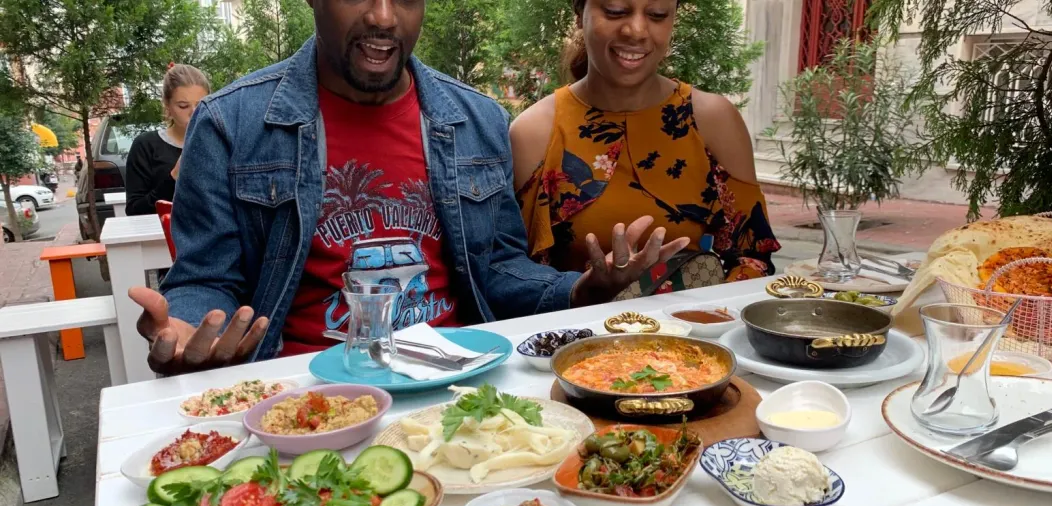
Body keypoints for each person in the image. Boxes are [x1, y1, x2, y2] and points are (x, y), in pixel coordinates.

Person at [127, 0, 687, 375]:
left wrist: (580, 288)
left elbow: (496, 268)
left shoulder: (477, 119)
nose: (383, 16)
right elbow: (206, 278)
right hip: (305, 392)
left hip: (457, 385)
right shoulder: (231, 123)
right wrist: (185, 327)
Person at [511, 0, 780, 285]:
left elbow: (752, 258)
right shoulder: (534, 132)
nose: (636, 30)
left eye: (657, 15)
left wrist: (710, 316)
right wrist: (585, 292)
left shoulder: (713, 120)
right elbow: (513, 275)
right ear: (579, 15)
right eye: (615, 11)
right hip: (577, 327)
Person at [125, 63, 210, 216]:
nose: (194, 113)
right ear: (167, 107)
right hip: (162, 237)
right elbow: (135, 210)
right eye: (183, 106)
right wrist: (174, 177)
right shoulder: (146, 146)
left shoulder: (221, 143)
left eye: (200, 106)